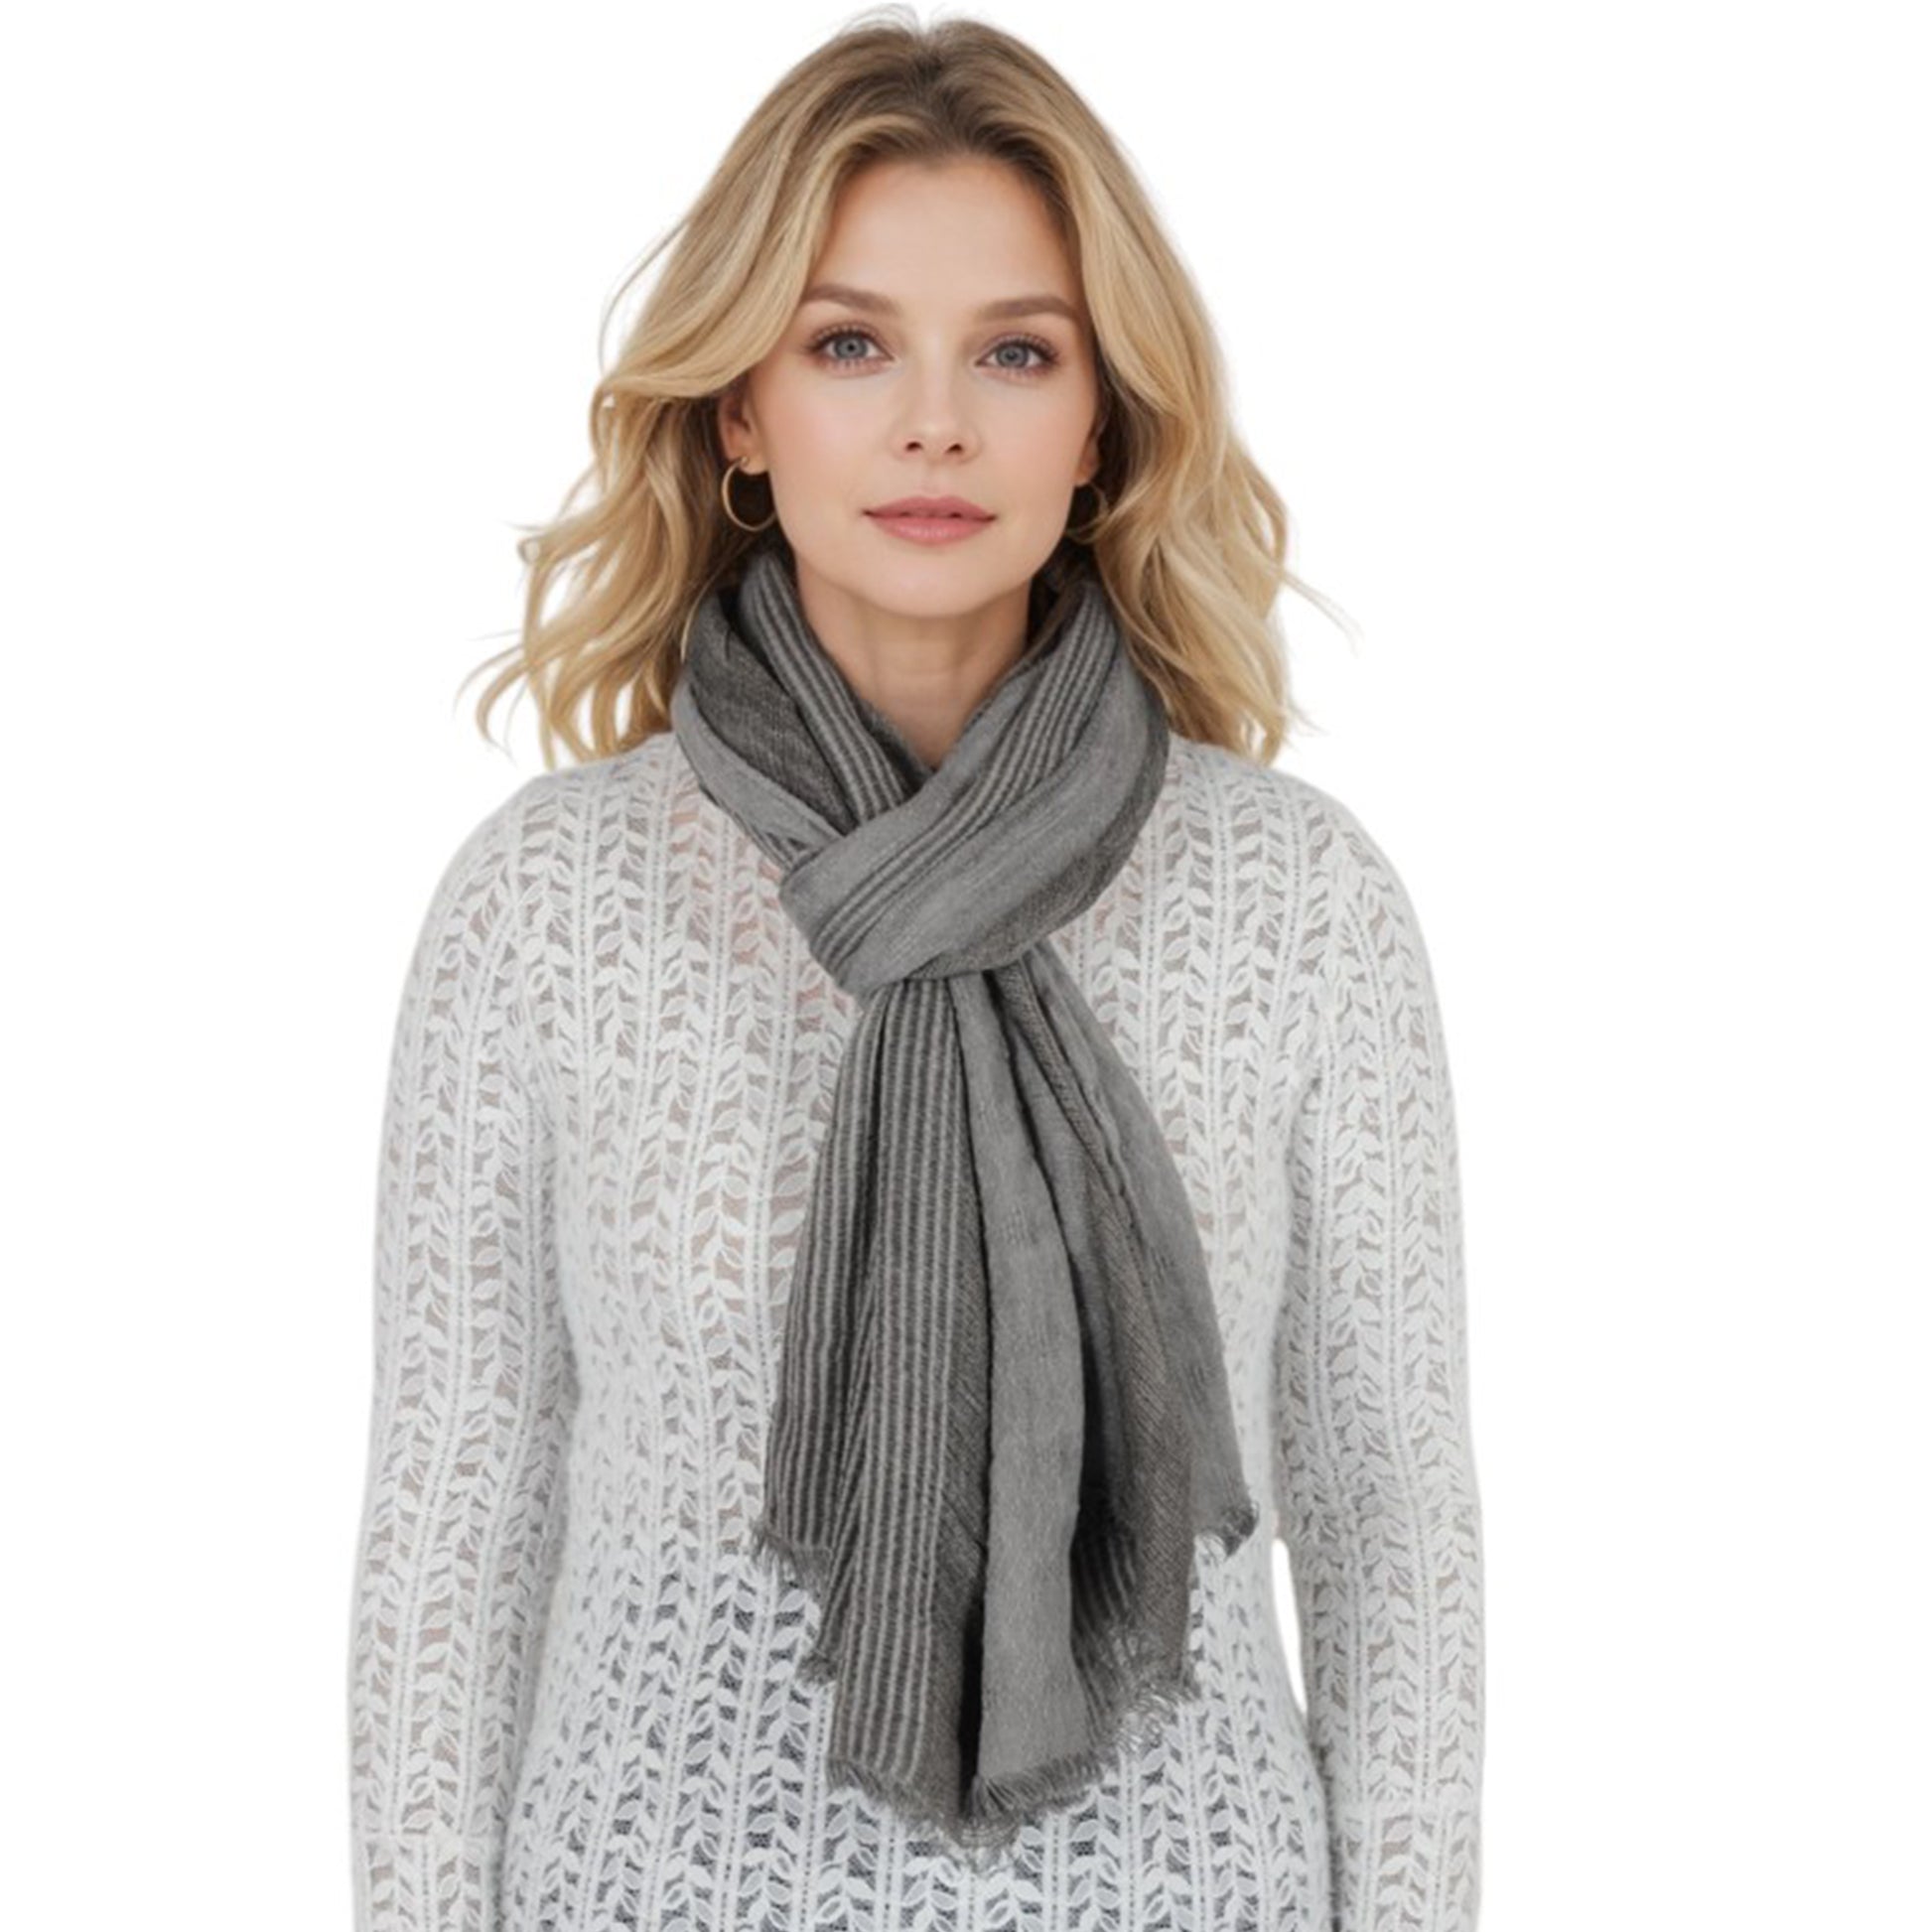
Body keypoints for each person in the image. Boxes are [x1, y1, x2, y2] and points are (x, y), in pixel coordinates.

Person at [345, 10, 1485, 1929]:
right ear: (737, 409)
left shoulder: (1301, 905)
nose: (935, 424)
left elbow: (1392, 1531)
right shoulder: (542, 905)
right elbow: (454, 1530)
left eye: (1015, 352)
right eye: (849, 345)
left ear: (1099, 421)